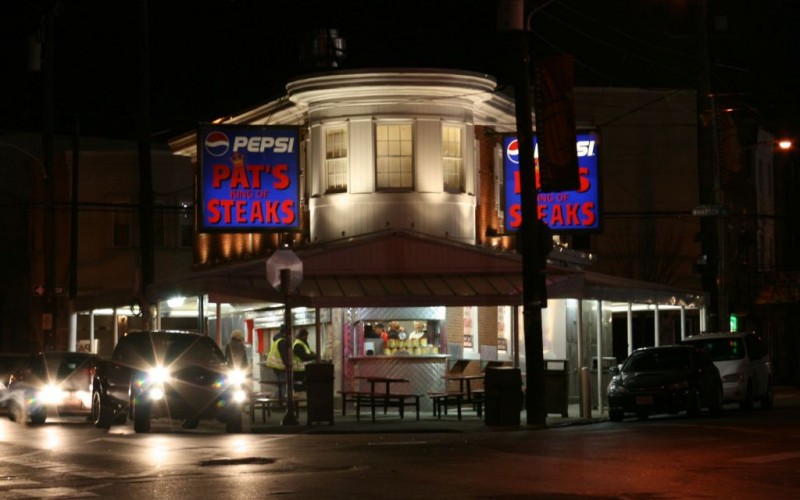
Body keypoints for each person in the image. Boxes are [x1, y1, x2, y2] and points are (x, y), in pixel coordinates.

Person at [265, 325, 291, 399]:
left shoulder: (277, 340)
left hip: (277, 367)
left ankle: (276, 402)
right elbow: (284, 355)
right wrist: (287, 365)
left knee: (282, 385)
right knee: (283, 385)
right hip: (281, 367)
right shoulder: (282, 341)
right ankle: (277, 403)